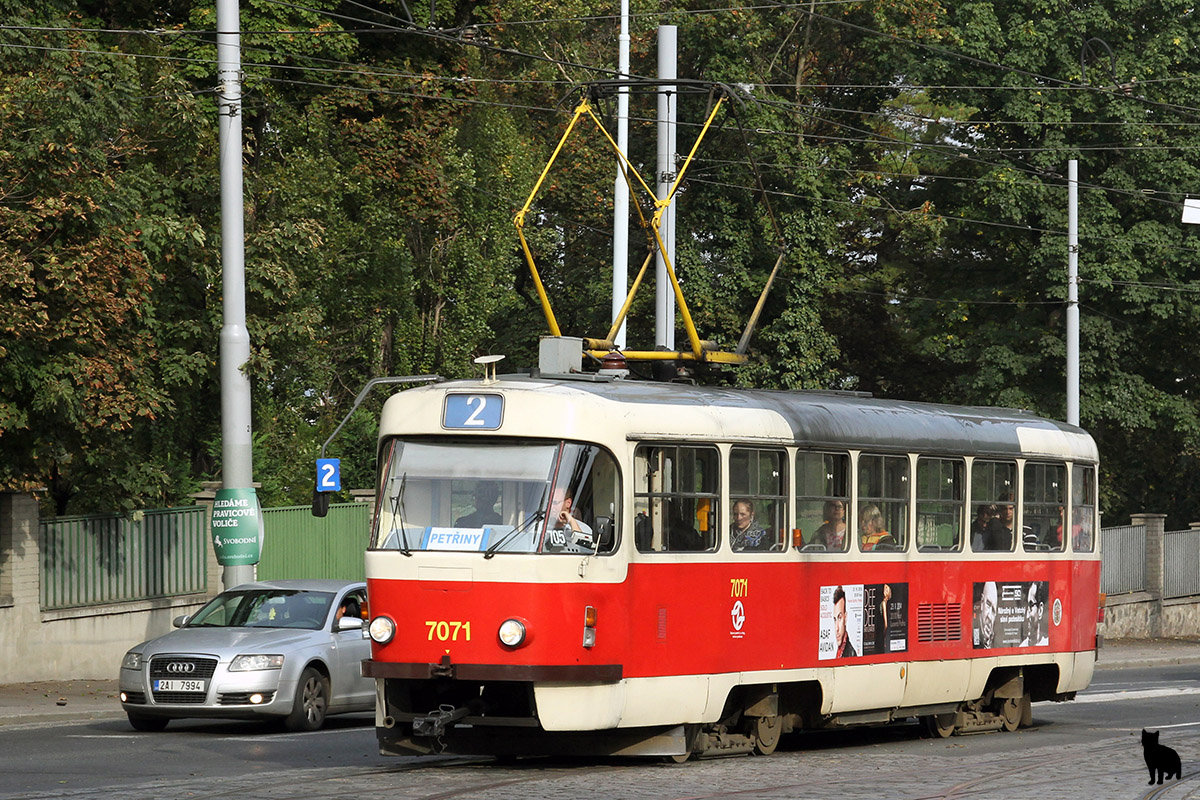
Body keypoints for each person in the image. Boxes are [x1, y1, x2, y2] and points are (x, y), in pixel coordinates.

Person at [832, 586, 857, 658]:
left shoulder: (851, 654)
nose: (836, 628)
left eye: (839, 618)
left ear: (845, 618)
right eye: (835, 619)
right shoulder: (839, 651)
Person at [977, 581, 998, 648]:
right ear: (982, 602)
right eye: (988, 605)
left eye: (993, 611)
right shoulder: (972, 627)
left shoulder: (995, 637)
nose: (989, 616)